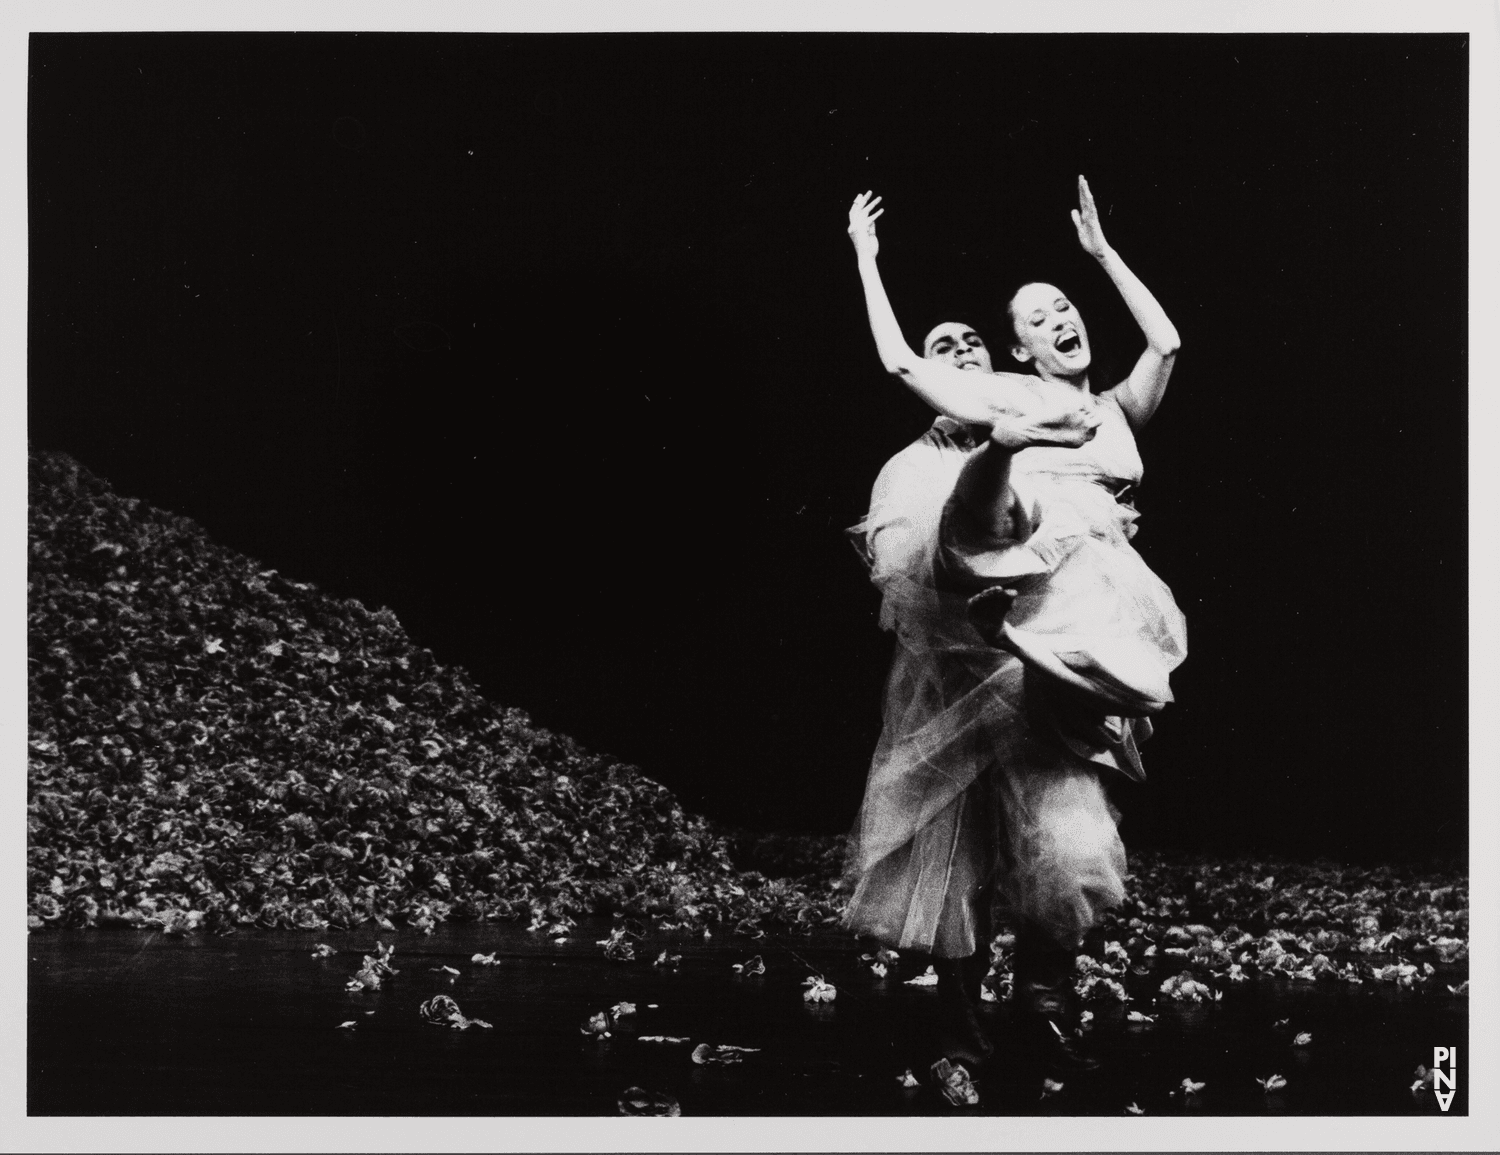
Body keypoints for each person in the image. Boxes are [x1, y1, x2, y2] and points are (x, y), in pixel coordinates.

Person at [842, 178, 1188, 1078]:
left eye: (971, 342)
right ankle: (964, 1020)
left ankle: (1044, 1000)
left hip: (1057, 644)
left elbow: (1163, 349)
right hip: (963, 665)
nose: (956, 350)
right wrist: (867, 260)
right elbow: (927, 556)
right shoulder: (924, 463)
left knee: (1061, 829)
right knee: (954, 838)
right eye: (944, 347)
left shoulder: (1071, 410)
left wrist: (1103, 255)